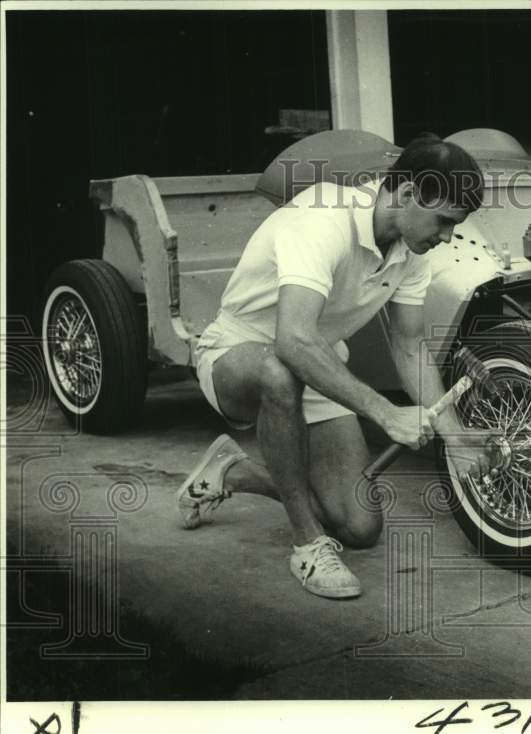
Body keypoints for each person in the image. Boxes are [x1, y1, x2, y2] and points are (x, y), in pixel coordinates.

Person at [175, 134, 494, 599]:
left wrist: (456, 436)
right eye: (443, 221)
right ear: (407, 195)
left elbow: (408, 348)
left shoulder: (412, 249)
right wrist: (386, 413)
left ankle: (234, 470)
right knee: (279, 372)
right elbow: (294, 339)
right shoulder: (323, 216)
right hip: (238, 352)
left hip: (314, 366)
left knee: (359, 525)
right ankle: (307, 545)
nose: (447, 236)